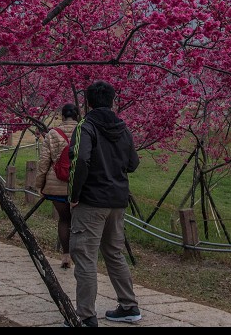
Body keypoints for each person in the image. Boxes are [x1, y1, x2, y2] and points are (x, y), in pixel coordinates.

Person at [68, 80, 141, 326]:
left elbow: (80, 160)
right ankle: (129, 306)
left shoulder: (86, 126)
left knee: (85, 256)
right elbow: (133, 163)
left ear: (88, 102)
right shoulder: (123, 128)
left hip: (91, 201)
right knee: (114, 253)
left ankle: (86, 316)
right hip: (117, 201)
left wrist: (74, 194)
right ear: (112, 101)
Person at [36, 103, 80, 269]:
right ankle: (81, 257)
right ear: (77, 115)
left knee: (64, 219)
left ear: (62, 116)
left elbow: (44, 162)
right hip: (80, 184)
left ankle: (66, 256)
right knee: (79, 222)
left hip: (57, 183)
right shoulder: (85, 131)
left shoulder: (52, 133)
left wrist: (40, 184)